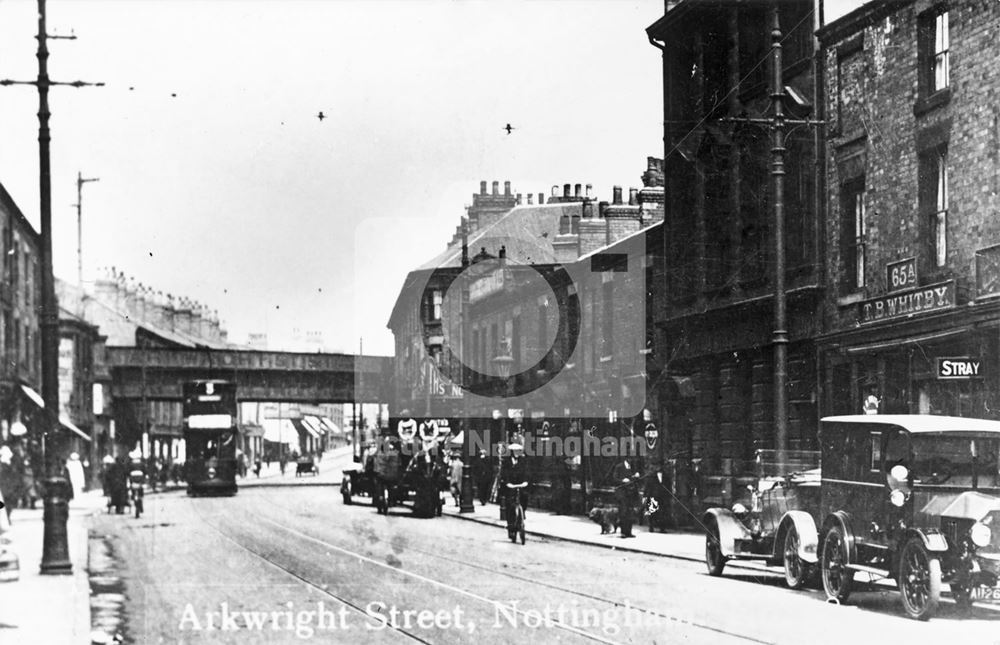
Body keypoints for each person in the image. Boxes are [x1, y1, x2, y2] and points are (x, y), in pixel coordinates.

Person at [501, 443, 529, 540]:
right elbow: (504, 474)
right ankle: (510, 527)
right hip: (510, 486)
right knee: (510, 505)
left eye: (519, 451)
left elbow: (526, 472)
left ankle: (522, 513)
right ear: (512, 452)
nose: (517, 453)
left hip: (520, 485)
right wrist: (507, 483)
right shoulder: (506, 462)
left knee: (524, 497)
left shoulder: (523, 461)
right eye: (515, 451)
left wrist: (526, 481)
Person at [615, 459, 642, 538]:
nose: (631, 460)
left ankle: (629, 532)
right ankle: (623, 532)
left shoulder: (633, 468)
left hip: (631, 493)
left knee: (630, 513)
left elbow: (634, 480)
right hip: (623, 494)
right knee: (623, 512)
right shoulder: (619, 467)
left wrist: (636, 476)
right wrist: (622, 480)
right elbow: (614, 478)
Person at [643, 466, 671, 533]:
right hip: (653, 496)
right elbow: (647, 487)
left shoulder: (666, 477)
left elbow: (669, 487)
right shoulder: (651, 477)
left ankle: (662, 528)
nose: (658, 469)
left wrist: (669, 496)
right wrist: (645, 496)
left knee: (663, 513)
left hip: (663, 497)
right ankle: (651, 527)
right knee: (652, 512)